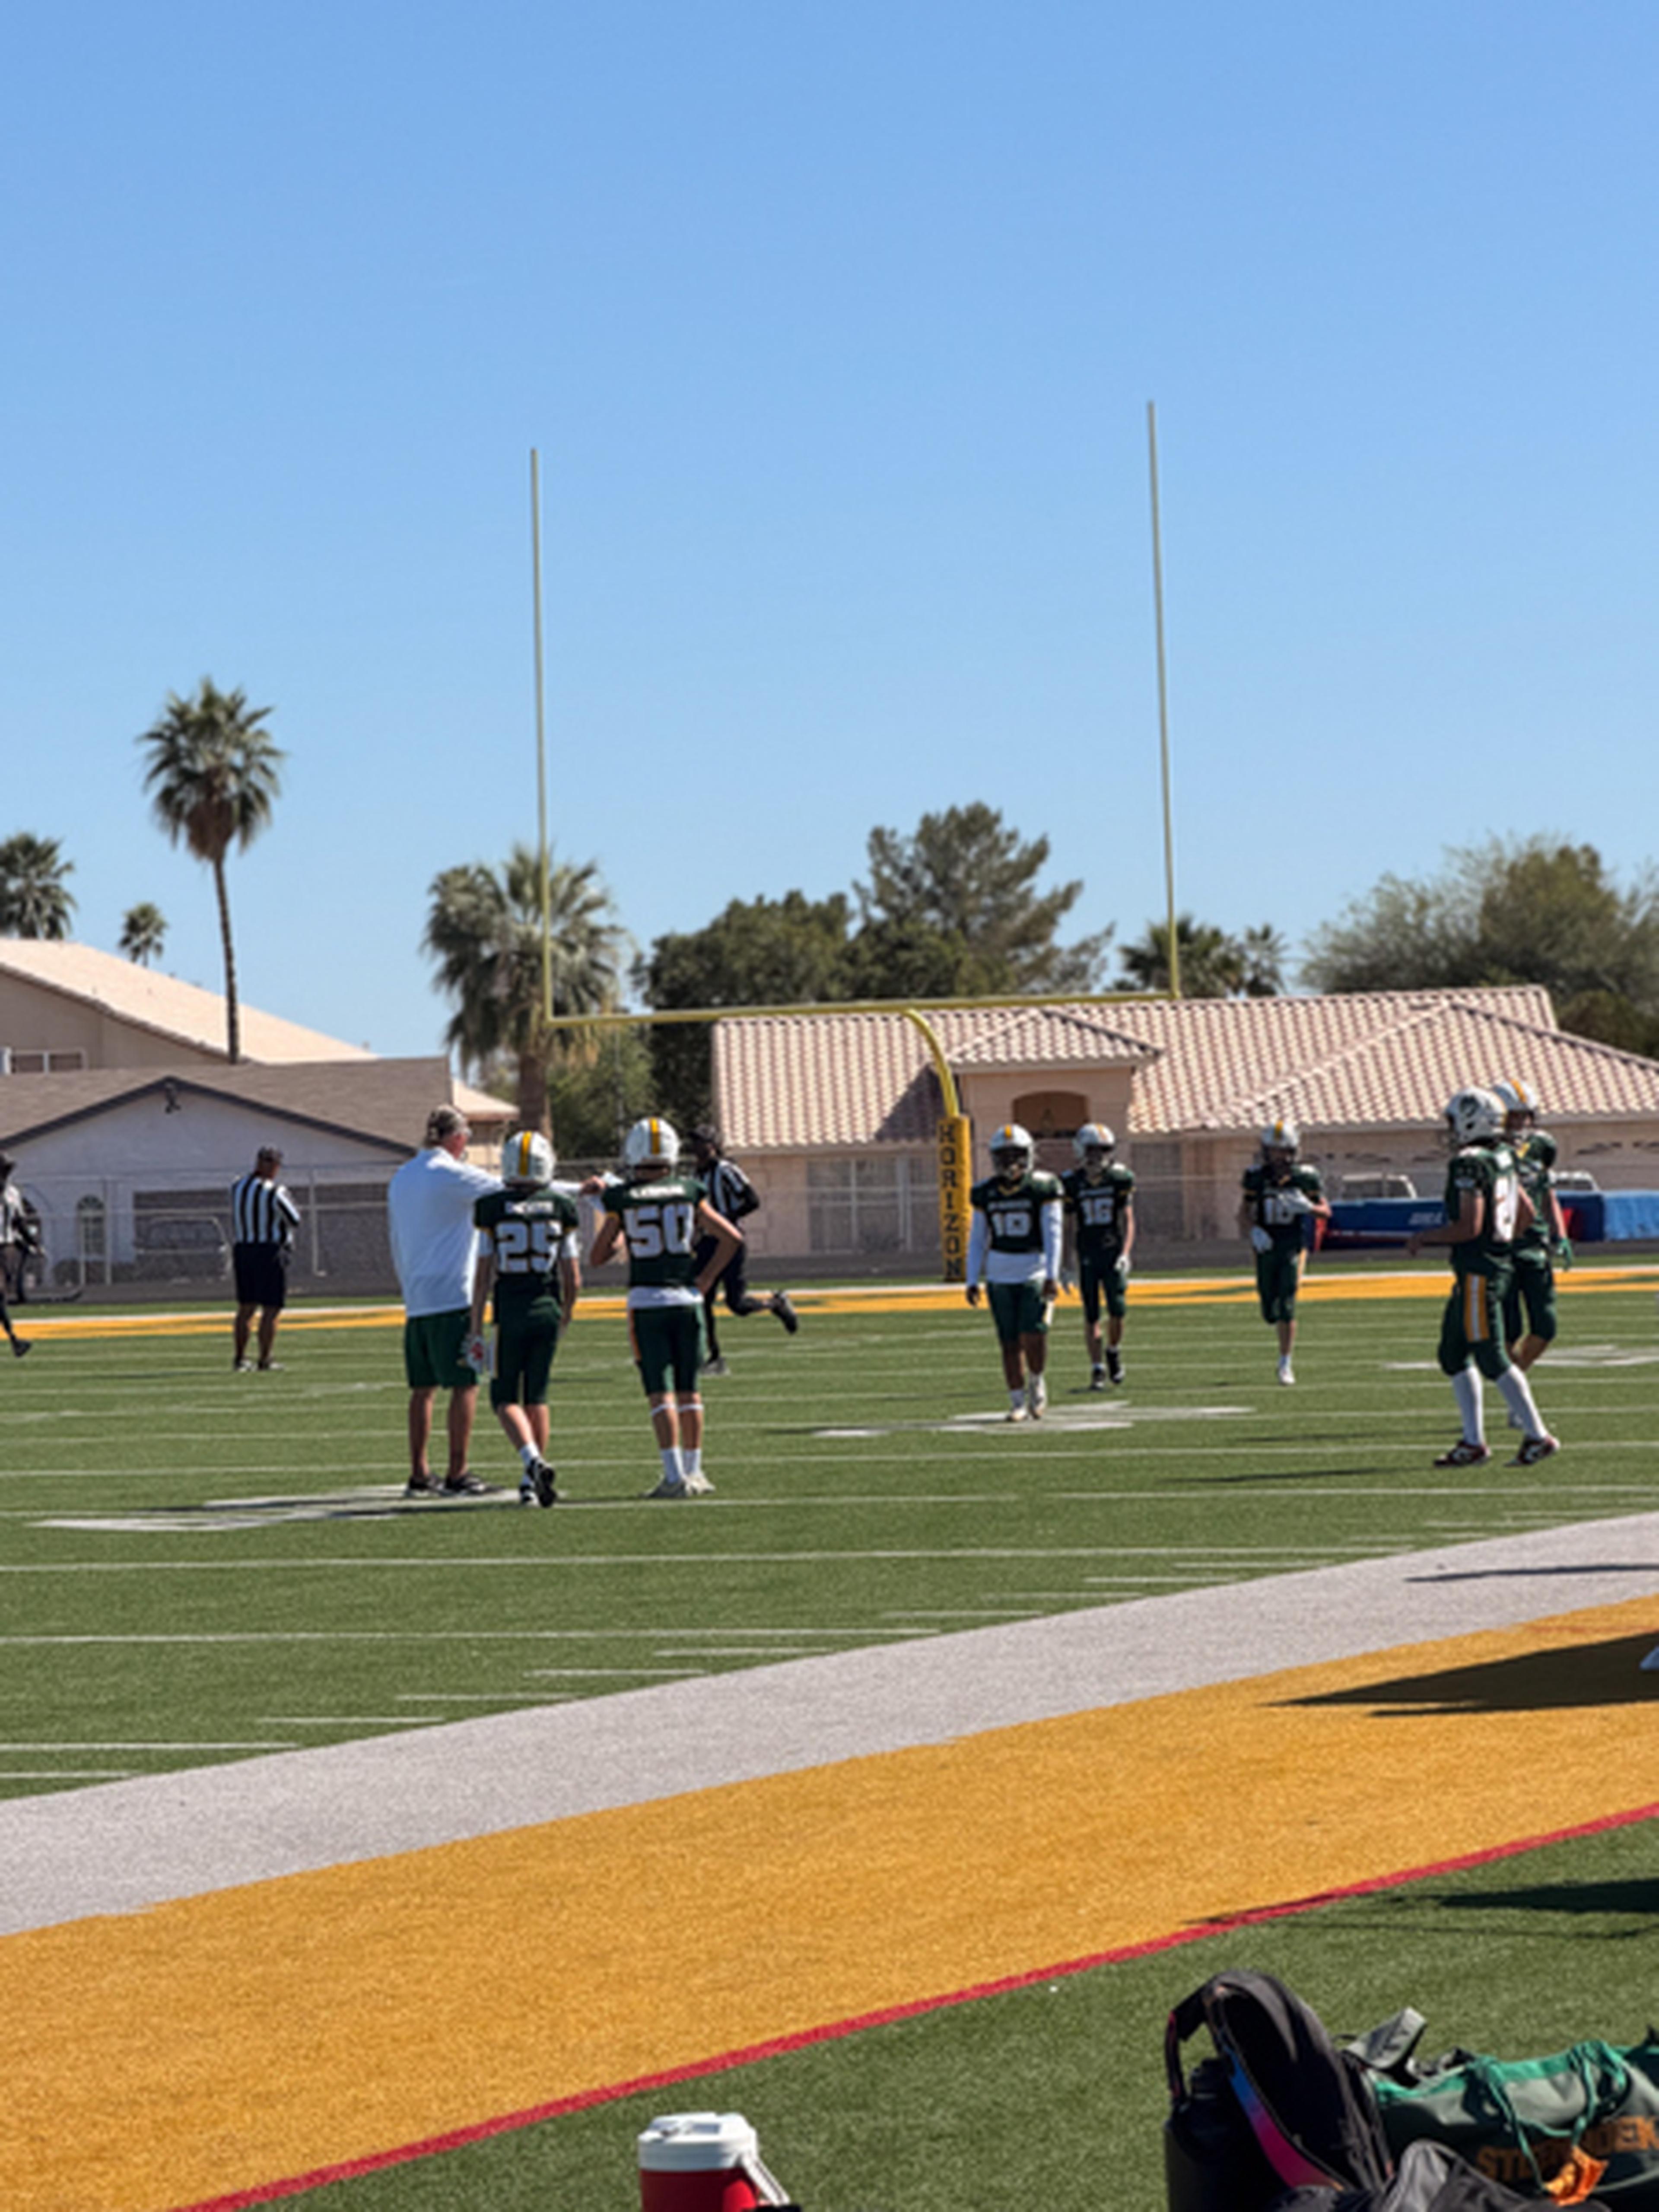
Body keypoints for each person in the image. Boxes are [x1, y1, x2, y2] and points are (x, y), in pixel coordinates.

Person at [1405, 1086, 1558, 1468]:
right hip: (1489, 1267)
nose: (1451, 1128)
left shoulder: (1470, 1163)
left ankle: (1537, 1435)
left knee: (1491, 1356)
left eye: (1455, 1120)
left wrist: (1426, 1237)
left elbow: (1469, 1226)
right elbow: (1525, 1212)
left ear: (1472, 1119)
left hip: (1479, 1272)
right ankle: (1473, 1442)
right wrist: (1503, 1238)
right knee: (1453, 1353)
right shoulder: (1504, 1155)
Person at [588, 1116, 740, 1497]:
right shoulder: (690, 1189)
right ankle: (696, 1472)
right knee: (691, 1391)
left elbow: (597, 1255)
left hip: (647, 1303)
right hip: (687, 1301)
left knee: (661, 1392)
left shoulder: (622, 1198)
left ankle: (673, 1477)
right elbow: (732, 1237)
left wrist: (623, 1240)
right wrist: (706, 1280)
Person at [386, 1105, 501, 1498]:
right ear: (456, 1137)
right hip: (452, 1294)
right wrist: (583, 1190)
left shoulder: (402, 1177)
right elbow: (517, 1187)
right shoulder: (449, 1173)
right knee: (465, 1384)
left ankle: (419, 1472)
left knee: (423, 1388)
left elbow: (395, 1239)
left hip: (417, 1295)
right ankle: (458, 1471)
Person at [469, 1128, 581, 1507]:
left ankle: (532, 1462)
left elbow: (483, 1275)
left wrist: (474, 1326)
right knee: (537, 1396)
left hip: (509, 1312)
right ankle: (530, 1482)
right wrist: (564, 1315)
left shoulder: (492, 1208)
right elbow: (574, 1278)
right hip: (547, 1309)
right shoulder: (561, 1206)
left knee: (504, 1398)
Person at [966, 1122, 1063, 1421]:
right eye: (1005, 1156)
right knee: (1008, 1341)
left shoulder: (1043, 1187)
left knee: (1033, 1335)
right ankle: (1017, 1401)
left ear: (1029, 1155)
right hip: (999, 1271)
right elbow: (978, 1238)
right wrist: (972, 1279)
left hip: (1033, 1267)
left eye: (1016, 1155)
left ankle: (1036, 1380)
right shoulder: (986, 1191)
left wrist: (1052, 1274)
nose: (1011, 1162)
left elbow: (1053, 1233)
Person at [685, 1125, 798, 1373]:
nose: (696, 1149)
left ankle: (775, 1304)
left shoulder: (726, 1171)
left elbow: (752, 1200)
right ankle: (714, 1358)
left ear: (712, 1145)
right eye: (694, 1144)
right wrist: (695, 1235)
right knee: (701, 1299)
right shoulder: (696, 1176)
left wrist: (724, 1220)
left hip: (730, 1242)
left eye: (700, 1144)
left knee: (736, 1304)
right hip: (707, 1243)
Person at [1237, 1117, 1330, 1385]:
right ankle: (1276, 1328)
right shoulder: (1256, 1177)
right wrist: (1253, 1230)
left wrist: (1309, 1209)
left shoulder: (1305, 1177)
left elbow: (1327, 1211)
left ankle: (1285, 1363)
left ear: (1293, 1151)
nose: (1279, 1157)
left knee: (1288, 1303)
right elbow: (1243, 1213)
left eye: (1283, 1151)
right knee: (1269, 1308)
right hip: (1266, 1245)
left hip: (1292, 1244)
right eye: (1274, 1151)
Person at [1490, 1077, 1570, 1382]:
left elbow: (1547, 1192)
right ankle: (1518, 1397)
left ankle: (1516, 1384)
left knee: (1546, 1326)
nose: (1521, 1122)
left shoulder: (1541, 1146)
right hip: (1502, 1247)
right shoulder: (1488, 1152)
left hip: (1535, 1245)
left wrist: (1559, 1234)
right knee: (1508, 1330)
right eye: (1514, 1115)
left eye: (1526, 1115)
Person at [1060, 1122, 1135, 1388]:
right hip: (1087, 1252)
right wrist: (1066, 1264)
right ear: (1081, 1151)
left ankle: (1113, 1350)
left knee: (1118, 1311)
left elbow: (1128, 1220)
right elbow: (1068, 1226)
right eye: (1093, 1151)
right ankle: (1097, 1368)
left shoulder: (1119, 1179)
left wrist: (1125, 1253)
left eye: (1103, 1151)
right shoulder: (1071, 1182)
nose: (1098, 1158)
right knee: (1091, 1314)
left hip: (1112, 1250)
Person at [229, 1145, 301, 1372]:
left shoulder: (238, 1186)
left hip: (244, 1249)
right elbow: (294, 1218)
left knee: (246, 1308)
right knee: (271, 1308)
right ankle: (265, 1358)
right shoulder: (275, 1191)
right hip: (269, 1251)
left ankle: (240, 1359)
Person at [0, 1154, 37, 1356]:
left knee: (1, 1296)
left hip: (6, 1249)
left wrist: (32, 1243)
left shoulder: (12, 1193)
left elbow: (19, 1221)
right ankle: (14, 1339)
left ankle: (15, 1340)